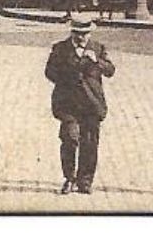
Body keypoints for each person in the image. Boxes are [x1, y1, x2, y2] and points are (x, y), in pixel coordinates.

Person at [44, 15, 116, 195]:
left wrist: (97, 62)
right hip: (68, 103)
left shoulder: (98, 49)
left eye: (85, 34)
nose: (81, 37)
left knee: (90, 143)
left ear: (90, 33)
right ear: (71, 32)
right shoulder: (60, 49)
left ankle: (85, 181)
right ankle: (69, 178)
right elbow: (50, 73)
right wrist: (68, 73)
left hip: (91, 104)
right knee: (70, 138)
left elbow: (110, 71)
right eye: (77, 33)